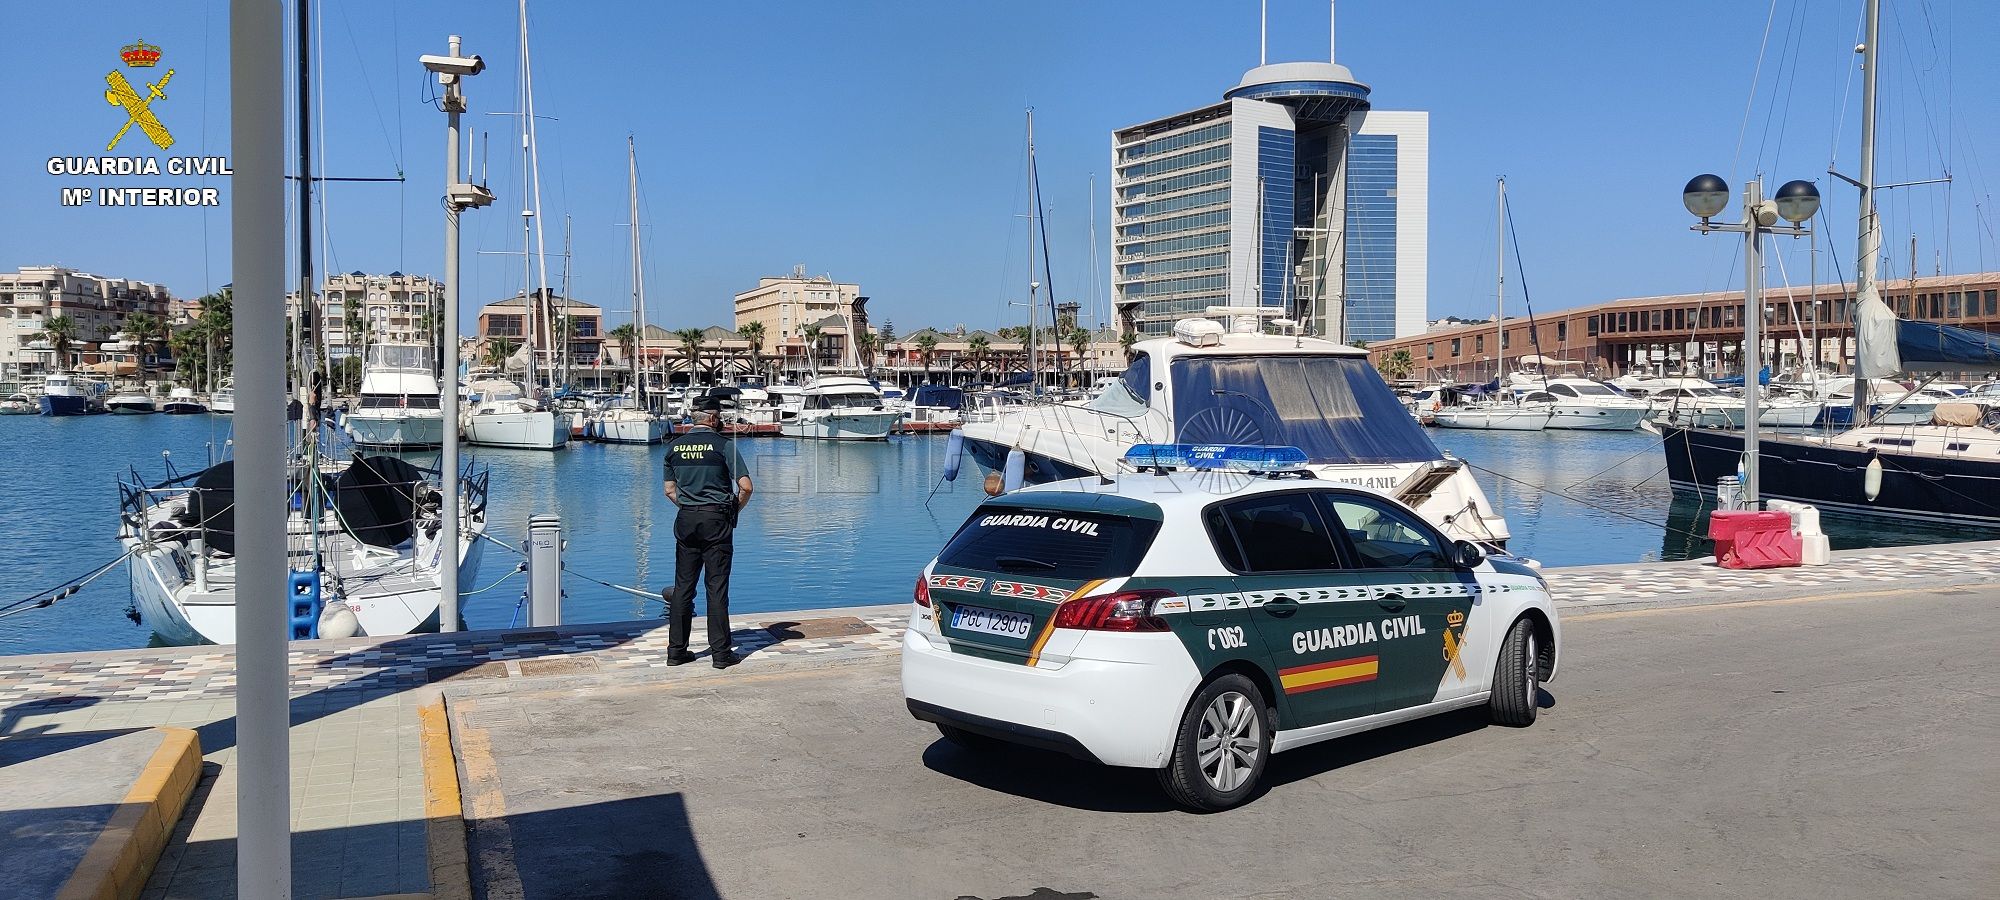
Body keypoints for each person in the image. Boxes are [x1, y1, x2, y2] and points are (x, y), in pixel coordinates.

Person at [662, 397, 753, 668]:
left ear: (694, 418)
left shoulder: (674, 447)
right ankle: (721, 654)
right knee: (716, 588)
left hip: (686, 519)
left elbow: (669, 490)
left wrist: (690, 505)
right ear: (713, 418)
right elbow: (746, 486)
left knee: (683, 587)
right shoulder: (724, 446)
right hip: (717, 520)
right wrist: (734, 509)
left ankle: (676, 652)